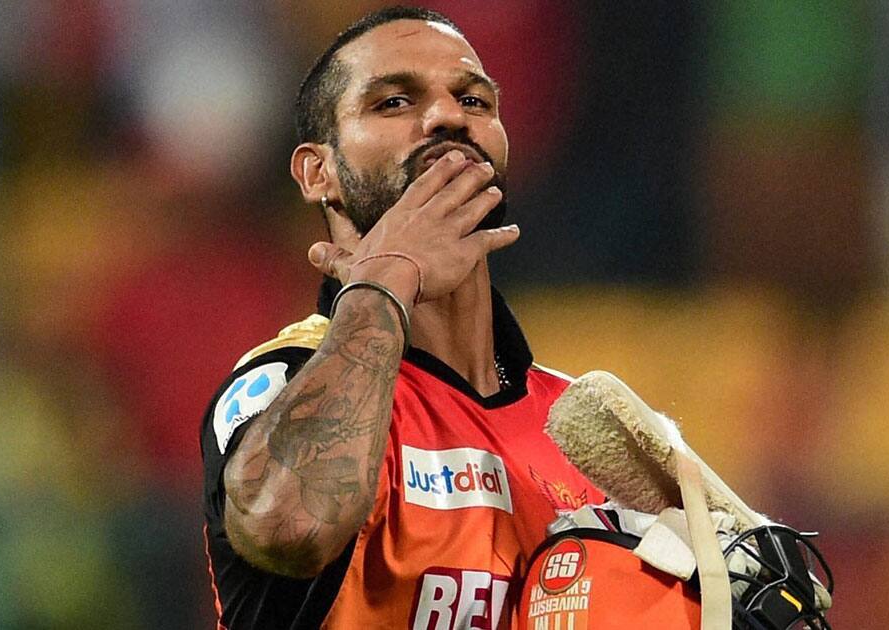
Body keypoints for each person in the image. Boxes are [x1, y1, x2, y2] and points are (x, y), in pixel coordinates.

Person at [201, 7, 701, 628]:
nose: (447, 116)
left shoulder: (581, 432)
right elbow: (290, 525)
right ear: (316, 171)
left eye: (474, 100)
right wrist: (384, 280)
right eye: (392, 102)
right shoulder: (286, 379)